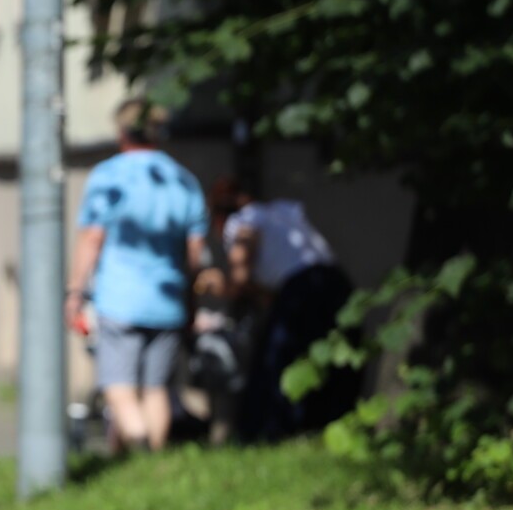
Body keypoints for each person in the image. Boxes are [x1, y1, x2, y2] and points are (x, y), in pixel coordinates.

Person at [64, 99, 207, 452]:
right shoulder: (183, 179)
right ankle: (150, 464)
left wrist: (75, 291)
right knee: (156, 389)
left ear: (122, 132)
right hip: (169, 301)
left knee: (118, 386)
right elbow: (194, 255)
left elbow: (92, 239)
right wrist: (190, 301)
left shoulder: (109, 176)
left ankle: (140, 444)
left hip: (120, 300)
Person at [223, 185, 356, 440]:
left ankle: (269, 433)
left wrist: (221, 287)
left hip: (302, 289)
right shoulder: (283, 213)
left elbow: (240, 275)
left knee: (278, 362)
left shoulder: (245, 219)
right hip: (336, 283)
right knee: (333, 360)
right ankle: (326, 426)